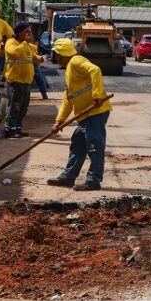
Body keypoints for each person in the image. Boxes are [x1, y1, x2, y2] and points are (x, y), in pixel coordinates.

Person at [47, 38, 113, 191]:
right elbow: (68, 98)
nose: (56, 58)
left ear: (61, 54)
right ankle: (69, 177)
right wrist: (59, 120)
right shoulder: (69, 69)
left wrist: (97, 95)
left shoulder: (76, 61)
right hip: (85, 115)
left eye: (56, 54)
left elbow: (95, 70)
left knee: (94, 145)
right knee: (77, 144)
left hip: (95, 112)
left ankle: (93, 180)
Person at [3, 23, 43, 138]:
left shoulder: (27, 46)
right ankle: (9, 130)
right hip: (15, 81)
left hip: (26, 81)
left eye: (30, 32)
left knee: (23, 107)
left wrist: (41, 58)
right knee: (14, 106)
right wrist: (25, 43)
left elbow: (35, 58)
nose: (29, 34)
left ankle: (18, 129)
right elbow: (13, 53)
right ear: (19, 32)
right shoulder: (11, 43)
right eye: (27, 32)